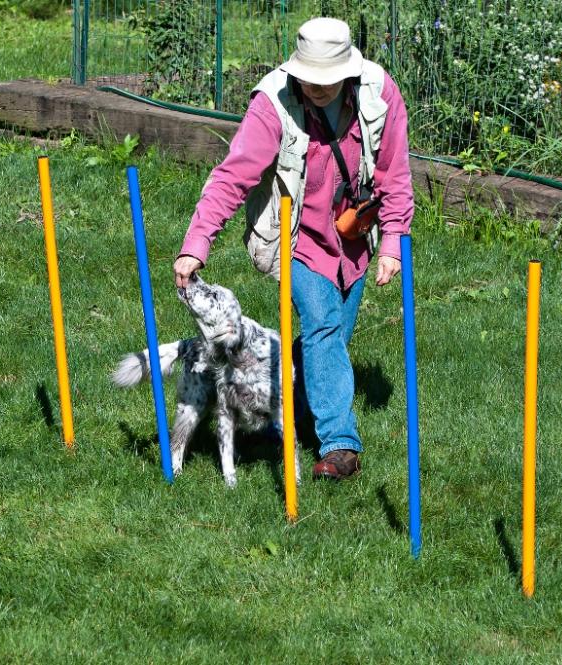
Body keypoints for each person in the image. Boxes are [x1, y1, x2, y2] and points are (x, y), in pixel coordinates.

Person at [172, 17, 414, 481]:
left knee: (331, 340)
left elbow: (394, 174)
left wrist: (393, 245)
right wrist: (196, 245)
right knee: (323, 323)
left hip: (353, 236)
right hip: (295, 238)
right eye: (309, 78)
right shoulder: (272, 104)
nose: (317, 87)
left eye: (326, 79)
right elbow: (232, 176)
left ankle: (283, 415)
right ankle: (341, 444)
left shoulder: (379, 93)